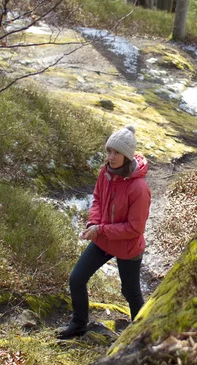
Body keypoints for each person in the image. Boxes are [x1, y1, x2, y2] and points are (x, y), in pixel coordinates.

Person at [57, 124, 151, 339]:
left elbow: (135, 228)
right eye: (109, 151)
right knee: (77, 279)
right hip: (103, 238)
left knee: (130, 293)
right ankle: (79, 324)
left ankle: (140, 336)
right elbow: (98, 198)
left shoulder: (139, 188)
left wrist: (101, 229)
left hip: (128, 246)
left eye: (116, 152)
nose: (111, 156)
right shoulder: (106, 172)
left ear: (127, 155)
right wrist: (93, 223)